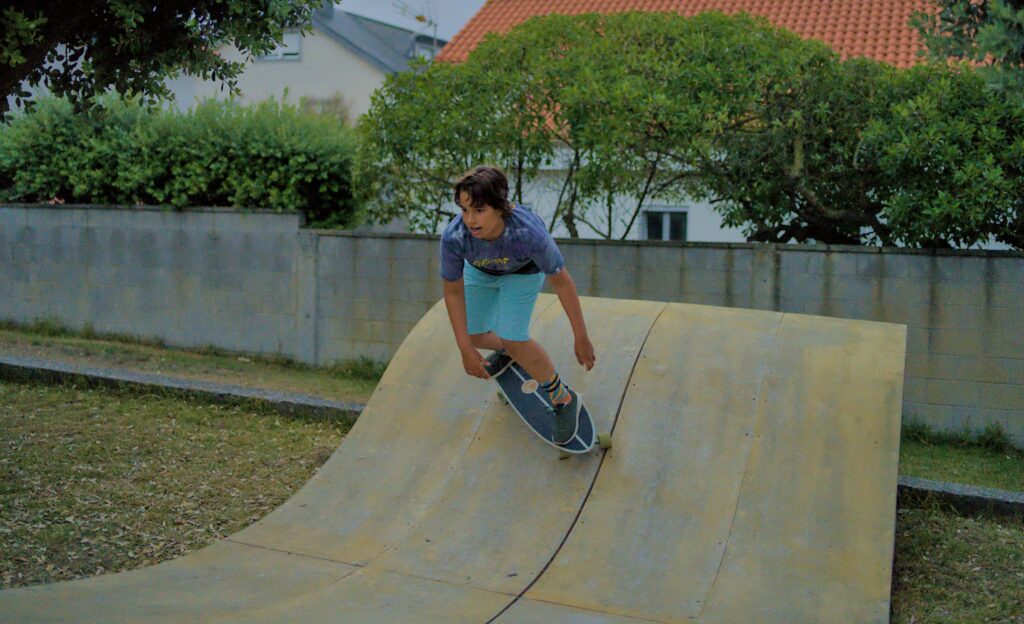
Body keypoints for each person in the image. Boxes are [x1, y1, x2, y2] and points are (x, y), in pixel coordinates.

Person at [439, 165, 596, 445]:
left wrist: (581, 336)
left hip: (523, 272)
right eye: (464, 210)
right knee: (472, 334)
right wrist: (465, 347)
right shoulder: (455, 236)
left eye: (479, 210)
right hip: (480, 271)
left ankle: (563, 398)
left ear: (500, 207)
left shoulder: (527, 232)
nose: (470, 220)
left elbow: (562, 283)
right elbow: (452, 292)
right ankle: (512, 351)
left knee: (513, 336)